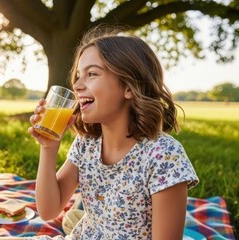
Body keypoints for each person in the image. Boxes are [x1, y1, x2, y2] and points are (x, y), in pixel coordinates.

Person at [28, 26, 199, 240]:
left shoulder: (164, 155)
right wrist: (49, 147)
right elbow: (48, 210)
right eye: (78, 75)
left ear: (129, 87)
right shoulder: (86, 144)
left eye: (91, 74)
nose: (77, 85)